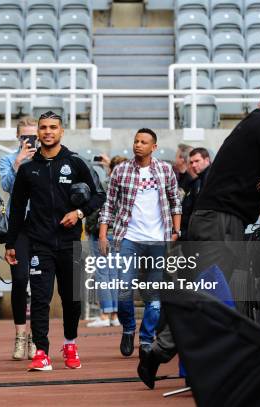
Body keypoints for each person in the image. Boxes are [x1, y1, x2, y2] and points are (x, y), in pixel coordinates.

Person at [138, 81, 260, 389]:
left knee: (210, 295)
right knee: (209, 296)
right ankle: (157, 354)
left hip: (215, 219)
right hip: (221, 221)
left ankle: (168, 354)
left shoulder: (250, 124)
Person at [5, 111, 106, 371]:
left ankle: (70, 343)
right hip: (40, 242)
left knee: (72, 298)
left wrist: (79, 213)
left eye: (53, 127)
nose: (48, 132)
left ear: (61, 131)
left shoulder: (76, 163)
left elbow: (98, 197)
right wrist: (11, 244)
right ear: (37, 132)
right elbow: (16, 208)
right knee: (40, 298)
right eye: (43, 128)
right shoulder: (28, 169)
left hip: (71, 242)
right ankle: (41, 351)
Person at [98, 128, 181, 358]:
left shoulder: (165, 170)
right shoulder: (121, 171)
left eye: (144, 142)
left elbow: (176, 202)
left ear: (153, 147)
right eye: (136, 141)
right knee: (124, 289)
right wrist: (104, 235)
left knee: (153, 296)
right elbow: (109, 205)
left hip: (158, 240)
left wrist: (176, 231)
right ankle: (128, 328)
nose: (138, 145)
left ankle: (146, 339)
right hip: (129, 239)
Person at [0, 116, 38, 360]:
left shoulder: (47, 159)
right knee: (20, 279)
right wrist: (18, 162)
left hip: (43, 225)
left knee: (40, 283)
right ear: (18, 137)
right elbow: (6, 186)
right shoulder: (8, 159)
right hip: (20, 226)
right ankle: (20, 336)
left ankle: (36, 336)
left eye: (33, 137)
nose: (30, 141)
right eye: (25, 137)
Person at [85, 155, 127, 328]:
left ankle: (104, 314)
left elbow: (97, 208)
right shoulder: (131, 185)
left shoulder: (106, 184)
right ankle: (115, 315)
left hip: (102, 233)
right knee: (115, 274)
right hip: (120, 234)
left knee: (103, 274)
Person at [179, 147, 211, 238]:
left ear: (207, 160)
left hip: (203, 232)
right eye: (192, 162)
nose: (193, 165)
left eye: (197, 161)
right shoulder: (199, 180)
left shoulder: (209, 179)